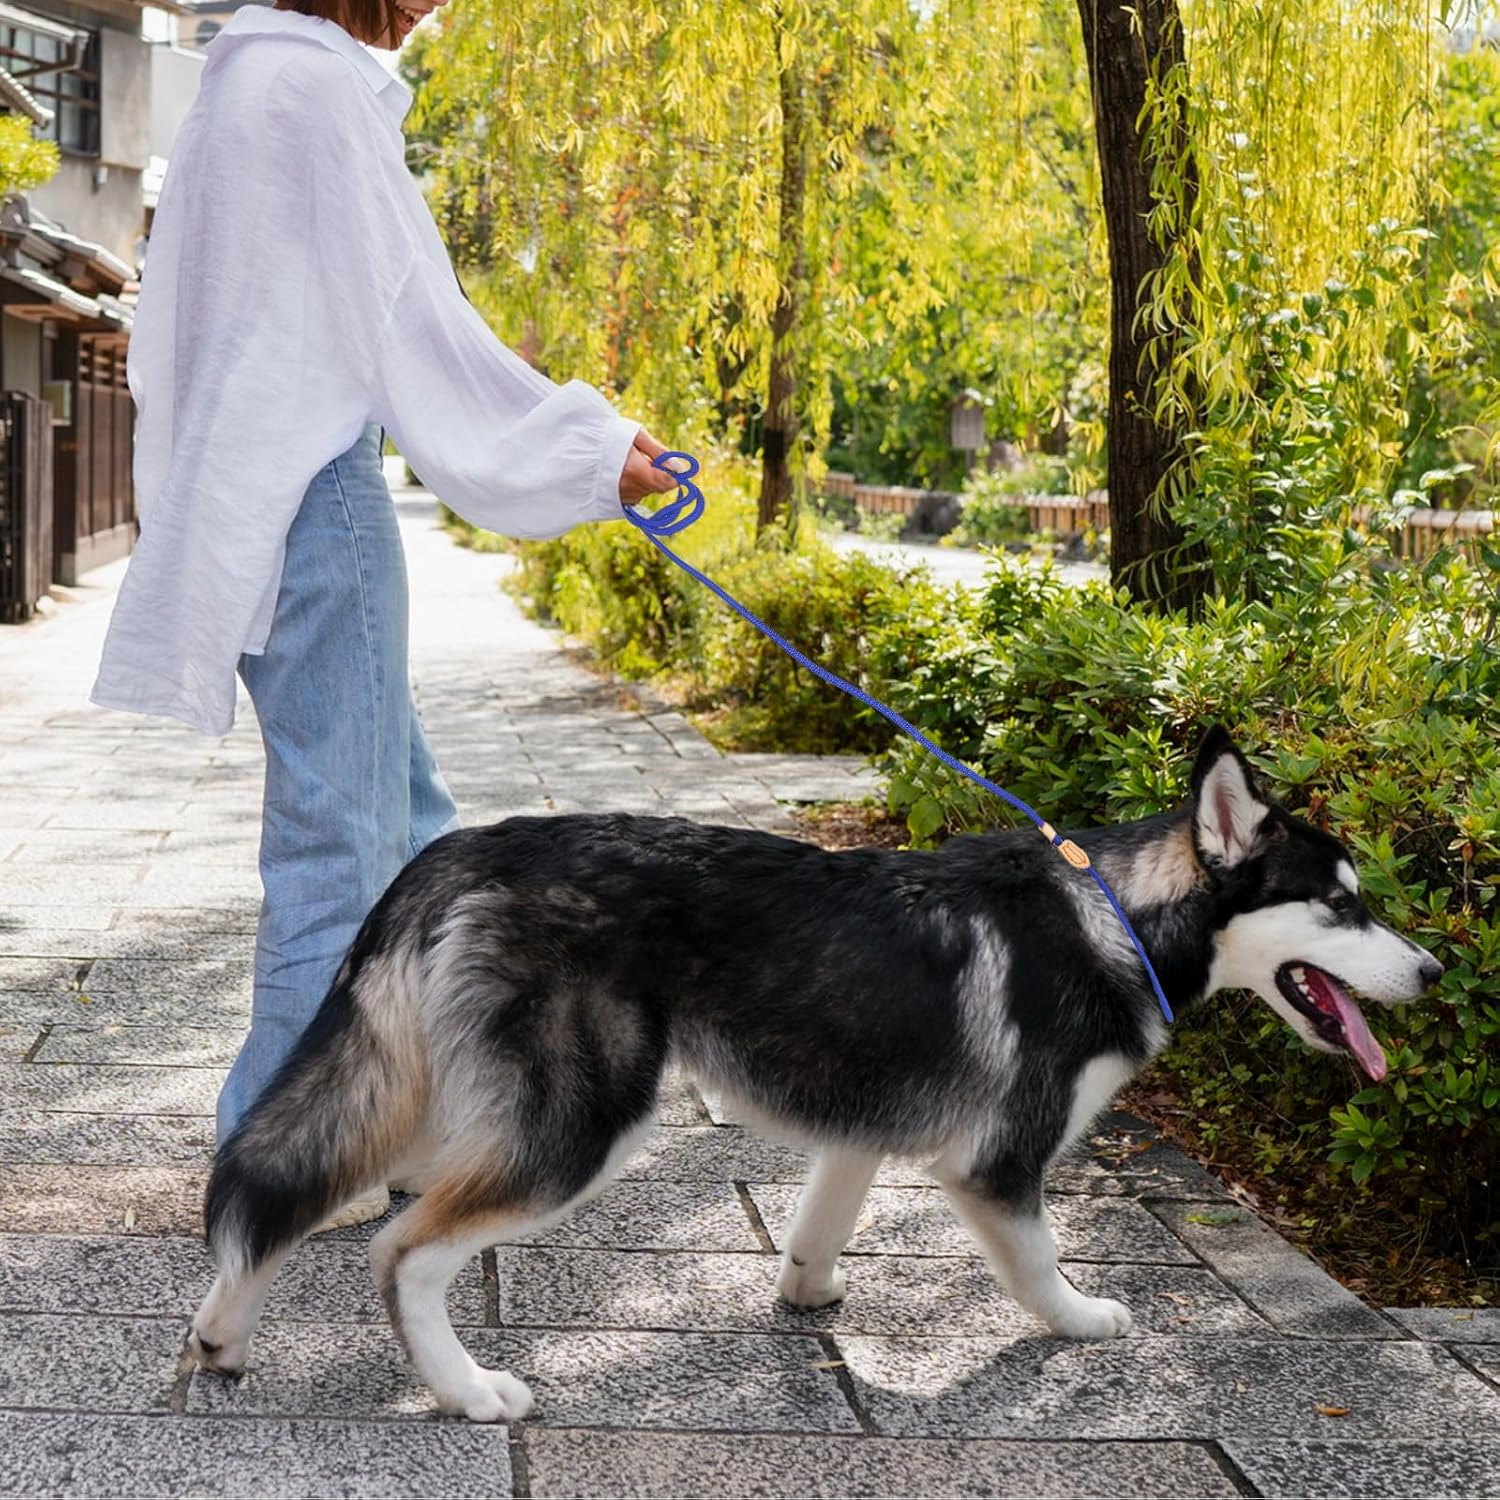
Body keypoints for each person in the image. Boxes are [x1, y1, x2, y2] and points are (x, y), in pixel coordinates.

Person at [91, 0, 678, 1227]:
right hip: (315, 491)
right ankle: (295, 1147)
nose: (434, 3)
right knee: (344, 845)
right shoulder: (305, 94)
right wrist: (589, 448)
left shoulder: (242, 85)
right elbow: (411, 318)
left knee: (407, 823)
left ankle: (405, 1111)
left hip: (265, 491)